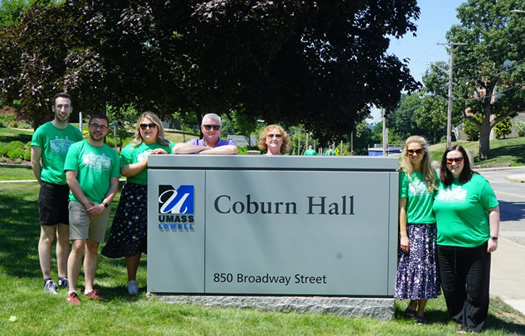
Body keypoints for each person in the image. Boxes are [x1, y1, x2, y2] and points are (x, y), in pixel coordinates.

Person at [102, 112, 174, 295]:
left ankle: (158, 281)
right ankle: (132, 281)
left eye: (151, 125)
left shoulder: (169, 146)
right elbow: (125, 170)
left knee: (162, 239)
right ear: (138, 129)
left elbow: (181, 164)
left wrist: (167, 156)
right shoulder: (131, 148)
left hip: (164, 195)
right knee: (133, 239)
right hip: (135, 195)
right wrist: (146, 162)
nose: (147, 129)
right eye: (143, 126)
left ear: (158, 127)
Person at [433, 145, 500, 333]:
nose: (453, 163)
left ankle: (473, 323)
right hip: (444, 245)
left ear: (465, 161)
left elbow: (493, 209)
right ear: (445, 162)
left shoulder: (478, 183)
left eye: (458, 160)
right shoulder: (441, 182)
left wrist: (493, 238)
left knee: (476, 289)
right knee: (451, 288)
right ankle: (460, 317)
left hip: (474, 245)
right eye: (450, 160)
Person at [64, 114, 120, 305]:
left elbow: (114, 184)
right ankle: (71, 291)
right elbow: (70, 178)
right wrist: (86, 203)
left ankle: (88, 288)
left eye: (102, 127)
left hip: (101, 207)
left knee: (93, 247)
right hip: (79, 204)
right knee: (78, 245)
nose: (98, 129)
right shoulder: (77, 148)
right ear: (89, 127)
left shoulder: (112, 154)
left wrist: (103, 204)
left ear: (106, 130)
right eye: (95, 126)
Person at [31, 92, 83, 294]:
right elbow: (35, 162)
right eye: (59, 106)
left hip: (69, 190)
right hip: (50, 188)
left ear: (71, 109)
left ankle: (63, 277)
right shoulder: (42, 131)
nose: (63, 110)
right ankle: (47, 279)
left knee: (64, 236)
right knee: (47, 235)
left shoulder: (76, 134)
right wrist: (43, 182)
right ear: (53, 108)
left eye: (66, 106)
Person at [394, 136, 440, 326]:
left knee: (426, 271)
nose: (414, 154)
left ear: (424, 152)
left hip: (430, 228)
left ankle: (420, 311)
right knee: (415, 270)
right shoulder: (405, 175)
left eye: (418, 151)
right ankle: (413, 306)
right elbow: (402, 208)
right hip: (412, 229)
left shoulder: (432, 175)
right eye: (410, 151)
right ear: (406, 152)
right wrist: (403, 234)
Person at [173, 113, 237, 154]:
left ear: (220, 129)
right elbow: (177, 149)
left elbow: (233, 150)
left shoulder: (228, 143)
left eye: (216, 127)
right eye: (208, 127)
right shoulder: (195, 143)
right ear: (202, 128)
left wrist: (201, 153)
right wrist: (206, 148)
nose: (212, 130)